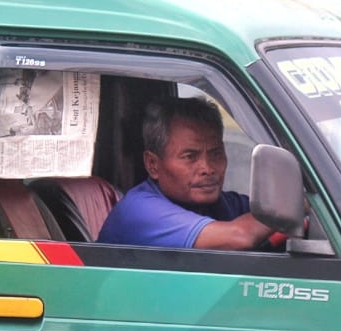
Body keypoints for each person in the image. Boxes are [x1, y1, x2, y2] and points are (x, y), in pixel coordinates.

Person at [97, 96, 277, 250]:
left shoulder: (221, 204)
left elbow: (270, 213)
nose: (207, 168)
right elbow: (241, 236)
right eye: (190, 157)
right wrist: (290, 206)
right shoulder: (139, 210)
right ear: (153, 164)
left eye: (216, 154)